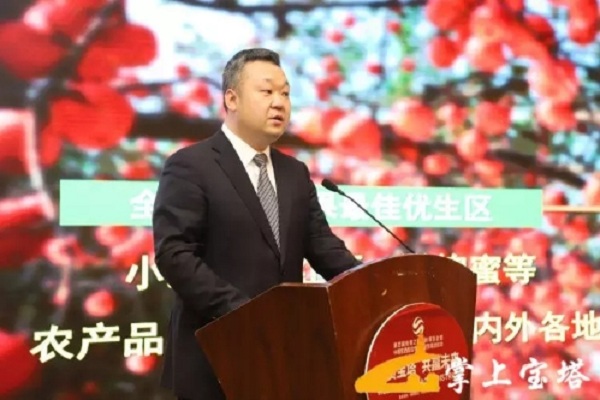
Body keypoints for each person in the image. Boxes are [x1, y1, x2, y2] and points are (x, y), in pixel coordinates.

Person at [152, 48, 360, 400]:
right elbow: (175, 254)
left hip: (284, 360)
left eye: (286, 93)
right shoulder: (191, 165)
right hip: (215, 360)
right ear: (231, 99)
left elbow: (325, 249)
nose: (279, 103)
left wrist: (372, 284)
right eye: (266, 91)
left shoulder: (295, 173)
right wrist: (244, 314)